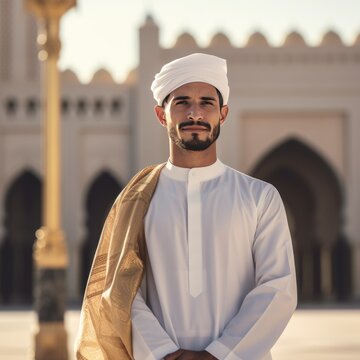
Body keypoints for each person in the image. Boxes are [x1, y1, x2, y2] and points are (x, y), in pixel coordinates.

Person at [75, 53, 297, 360]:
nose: (195, 113)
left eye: (207, 102)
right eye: (181, 102)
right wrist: (163, 353)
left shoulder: (259, 197)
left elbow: (278, 288)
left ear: (223, 113)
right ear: (161, 114)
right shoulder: (138, 199)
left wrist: (220, 354)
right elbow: (121, 291)